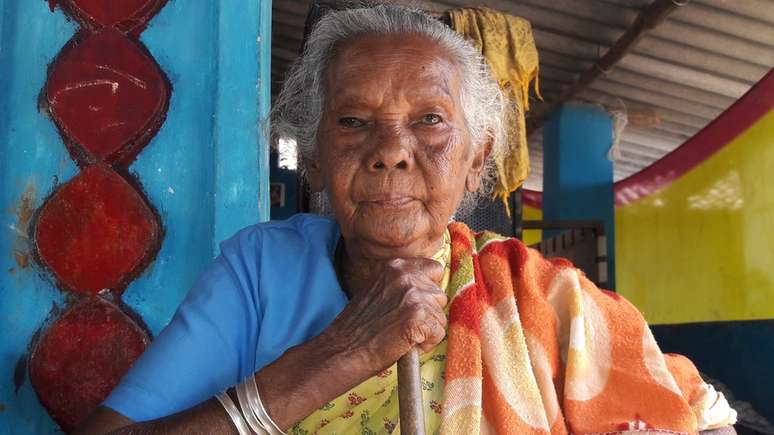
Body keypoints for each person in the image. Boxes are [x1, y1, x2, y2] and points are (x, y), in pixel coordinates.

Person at [76, 5, 736, 435]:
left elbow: (705, 418)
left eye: (429, 121)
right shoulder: (259, 271)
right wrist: (340, 354)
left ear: (477, 161)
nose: (392, 150)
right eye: (354, 122)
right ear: (312, 158)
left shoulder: (543, 295)